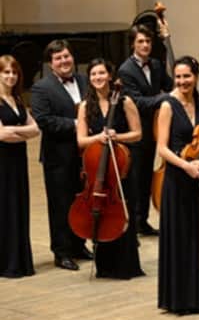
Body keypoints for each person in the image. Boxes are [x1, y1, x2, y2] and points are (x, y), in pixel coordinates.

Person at [157, 56, 199, 314]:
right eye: (178, 77)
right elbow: (162, 148)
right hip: (176, 178)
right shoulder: (167, 105)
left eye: (187, 76)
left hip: (198, 177)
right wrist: (186, 166)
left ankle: (198, 297)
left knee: (197, 238)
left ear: (196, 77)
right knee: (179, 237)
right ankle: (178, 299)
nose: (182, 81)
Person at [76, 58, 146, 278]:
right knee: (102, 212)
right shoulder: (85, 106)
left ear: (109, 76)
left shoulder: (125, 101)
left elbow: (138, 134)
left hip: (122, 167)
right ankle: (104, 266)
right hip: (99, 169)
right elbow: (81, 140)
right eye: (93, 74)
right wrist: (99, 137)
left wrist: (118, 136)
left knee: (123, 212)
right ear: (90, 78)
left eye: (101, 73)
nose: (98, 77)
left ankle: (126, 266)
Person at [31, 39, 93, 271]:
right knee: (61, 204)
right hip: (59, 156)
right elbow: (44, 120)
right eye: (58, 58)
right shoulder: (41, 88)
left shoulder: (84, 81)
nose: (64, 61)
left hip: (85, 155)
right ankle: (62, 251)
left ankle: (79, 244)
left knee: (81, 200)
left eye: (66, 56)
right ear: (51, 63)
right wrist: (78, 124)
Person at [118, 24, 173, 236]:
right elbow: (138, 102)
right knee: (136, 179)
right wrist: (164, 98)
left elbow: (170, 85)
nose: (145, 45)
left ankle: (143, 221)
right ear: (133, 44)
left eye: (148, 41)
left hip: (154, 129)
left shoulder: (156, 65)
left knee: (147, 178)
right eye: (140, 41)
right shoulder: (126, 70)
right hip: (136, 131)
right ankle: (133, 223)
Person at [0, 55, 39, 278]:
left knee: (18, 206)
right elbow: (2, 135)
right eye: (6, 72)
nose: (11, 76)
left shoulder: (17, 99)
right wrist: (23, 132)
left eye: (14, 72)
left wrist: (14, 130)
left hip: (18, 161)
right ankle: (6, 262)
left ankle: (19, 259)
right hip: (2, 163)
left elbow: (36, 129)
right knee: (4, 208)